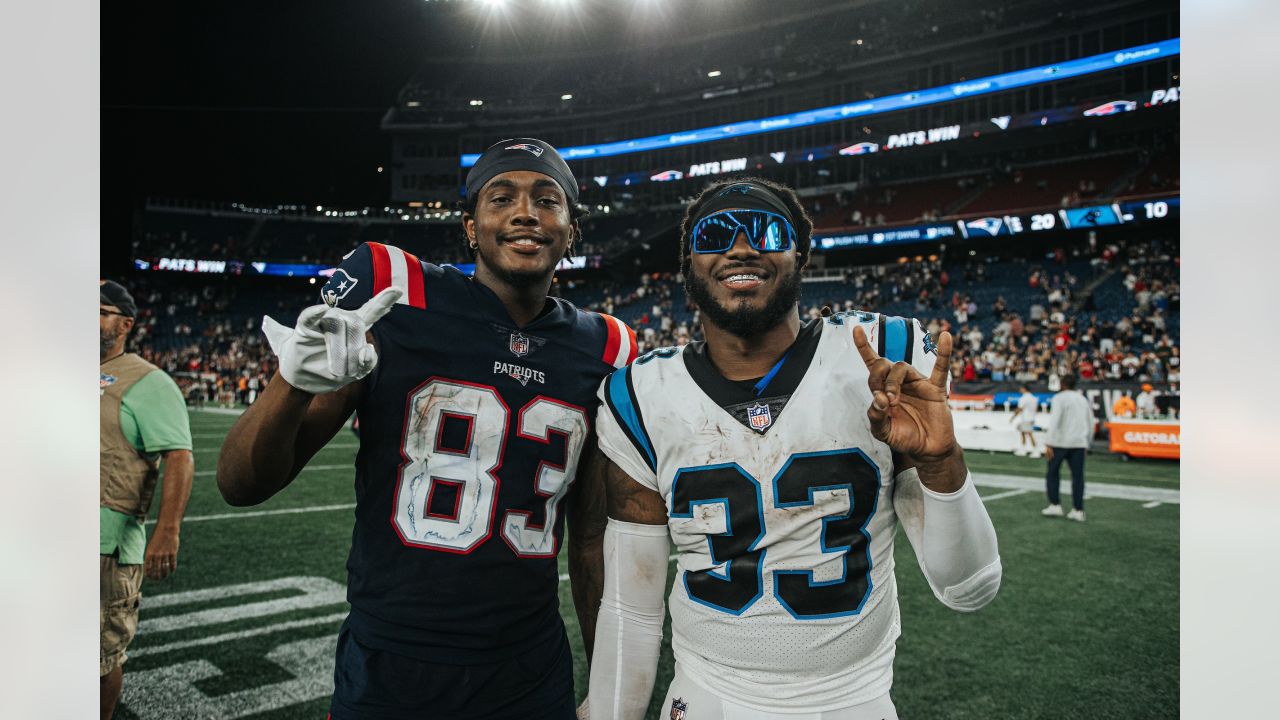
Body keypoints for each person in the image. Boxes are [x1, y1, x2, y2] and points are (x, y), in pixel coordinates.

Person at [217, 138, 630, 720]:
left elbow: (589, 539)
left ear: (571, 227)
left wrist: (609, 683)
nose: (524, 212)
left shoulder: (606, 346)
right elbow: (242, 484)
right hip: (393, 662)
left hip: (528, 667)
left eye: (547, 199)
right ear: (469, 226)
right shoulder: (393, 296)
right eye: (501, 197)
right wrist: (293, 383)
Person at [585, 178, 1001, 719]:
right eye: (715, 233)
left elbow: (968, 588)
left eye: (765, 230)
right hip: (708, 698)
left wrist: (942, 464)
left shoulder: (882, 356)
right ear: (688, 263)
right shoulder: (640, 394)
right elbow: (630, 608)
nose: (741, 247)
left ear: (798, 255)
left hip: (853, 700)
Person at [100, 280, 194, 720]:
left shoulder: (148, 381)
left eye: (100, 311)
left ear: (125, 324)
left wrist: (167, 530)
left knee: (98, 657)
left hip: (105, 545)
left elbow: (178, 456)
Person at [1041, 374, 1093, 522]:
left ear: (1063, 384)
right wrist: (1087, 443)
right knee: (1078, 477)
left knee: (1052, 474)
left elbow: (1055, 420)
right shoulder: (1082, 399)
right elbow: (1090, 422)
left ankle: (1055, 505)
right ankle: (1078, 509)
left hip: (1059, 443)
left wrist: (1048, 442)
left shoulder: (1059, 398)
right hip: (1078, 443)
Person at [1009, 384, 1042, 457]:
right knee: (1023, 433)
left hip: (1026, 418)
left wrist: (1012, 417)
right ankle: (1023, 449)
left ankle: (1036, 451)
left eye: (1021, 389)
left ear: (1024, 389)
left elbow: (1020, 408)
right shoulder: (1034, 398)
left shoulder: (1023, 398)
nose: (1020, 390)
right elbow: (1036, 409)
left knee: (1029, 434)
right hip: (1031, 418)